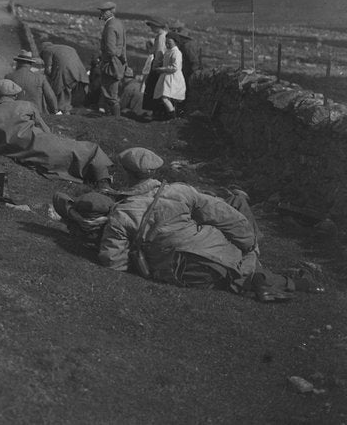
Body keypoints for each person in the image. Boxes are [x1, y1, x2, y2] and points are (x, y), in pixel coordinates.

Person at [97, 148, 322, 302]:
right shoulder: (180, 191)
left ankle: (261, 277)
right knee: (232, 213)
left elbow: (113, 261)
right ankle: (271, 278)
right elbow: (230, 219)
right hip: (217, 261)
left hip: (179, 274)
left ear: (126, 174)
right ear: (154, 171)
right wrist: (249, 246)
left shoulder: (122, 212)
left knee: (225, 233)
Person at [0, 79, 115, 189]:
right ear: (15, 95)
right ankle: (104, 183)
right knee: (90, 149)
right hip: (40, 143)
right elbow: (44, 128)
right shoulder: (26, 105)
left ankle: (93, 178)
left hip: (19, 153)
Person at [95, 2, 127, 117]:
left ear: (110, 12)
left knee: (110, 94)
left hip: (111, 64)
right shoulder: (118, 23)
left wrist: (105, 61)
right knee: (112, 92)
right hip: (118, 63)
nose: (101, 14)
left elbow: (111, 49)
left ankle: (115, 120)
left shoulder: (110, 26)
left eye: (103, 12)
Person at [39, 41, 89, 114]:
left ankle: (63, 110)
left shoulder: (47, 50)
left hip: (65, 73)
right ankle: (66, 109)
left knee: (61, 89)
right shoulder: (67, 48)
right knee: (68, 91)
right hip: (80, 73)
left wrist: (46, 77)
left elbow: (48, 69)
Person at [5, 50, 59, 116]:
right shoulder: (40, 78)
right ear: (30, 64)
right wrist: (56, 112)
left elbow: (3, 97)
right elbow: (50, 96)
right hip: (36, 113)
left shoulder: (9, 77)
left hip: (15, 113)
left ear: (18, 63)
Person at [152, 35, 185, 119]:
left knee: (165, 96)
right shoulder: (168, 52)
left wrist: (162, 69)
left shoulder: (176, 52)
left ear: (175, 42)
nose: (167, 44)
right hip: (166, 76)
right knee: (165, 96)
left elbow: (175, 67)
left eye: (169, 42)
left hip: (173, 77)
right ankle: (170, 115)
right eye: (166, 43)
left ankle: (172, 114)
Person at [141, 18, 168, 119]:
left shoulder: (161, 37)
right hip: (160, 65)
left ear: (158, 26)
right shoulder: (162, 36)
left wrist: (155, 67)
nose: (151, 28)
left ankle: (153, 113)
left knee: (152, 88)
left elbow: (160, 53)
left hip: (158, 65)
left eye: (153, 26)